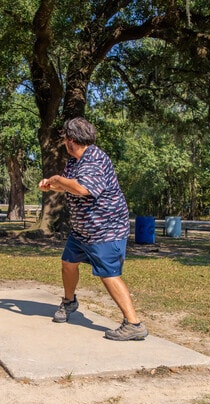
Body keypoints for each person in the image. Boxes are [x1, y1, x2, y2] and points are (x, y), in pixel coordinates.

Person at [38, 117, 148, 341]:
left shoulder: (95, 159)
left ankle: (134, 323)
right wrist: (51, 184)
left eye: (65, 139)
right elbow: (69, 186)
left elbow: (83, 188)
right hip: (82, 230)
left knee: (109, 274)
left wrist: (58, 178)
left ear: (71, 140)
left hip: (105, 229)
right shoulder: (75, 161)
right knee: (68, 263)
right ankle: (69, 302)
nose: (64, 144)